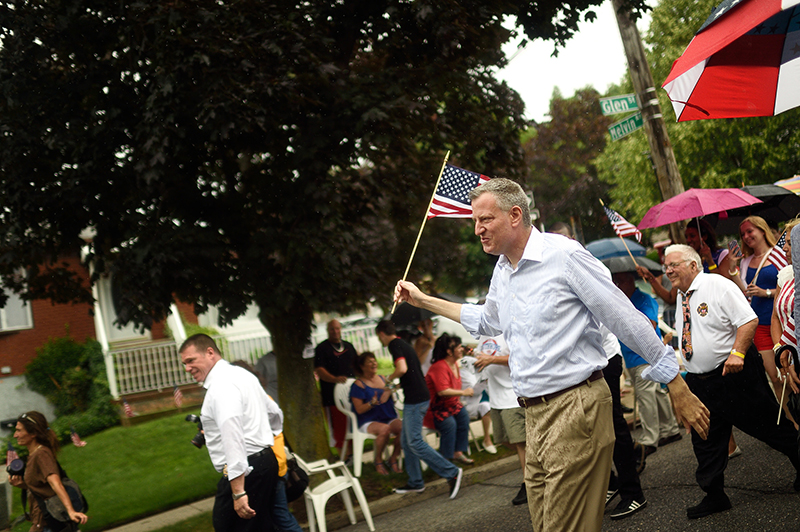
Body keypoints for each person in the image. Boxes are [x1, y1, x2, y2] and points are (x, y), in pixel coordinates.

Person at [394, 178, 710, 532]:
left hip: (576, 407)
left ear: (515, 215)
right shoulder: (503, 269)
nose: (478, 230)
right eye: (474, 222)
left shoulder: (564, 255)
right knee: (545, 525)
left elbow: (624, 318)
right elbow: (487, 321)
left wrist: (675, 383)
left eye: (485, 220)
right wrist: (423, 300)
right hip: (534, 415)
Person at [666, 244, 800, 518]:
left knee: (767, 425)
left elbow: (748, 320)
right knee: (706, 438)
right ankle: (714, 495)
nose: (668, 270)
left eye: (674, 264)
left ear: (693, 265)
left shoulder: (717, 285)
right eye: (666, 265)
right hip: (700, 381)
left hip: (733, 373)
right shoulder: (682, 296)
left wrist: (738, 353)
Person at [180, 334, 280, 532]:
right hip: (264, 462)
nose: (187, 368)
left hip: (248, 469)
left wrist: (238, 492)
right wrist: (265, 437)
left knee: (228, 526)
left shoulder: (221, 386)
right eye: (184, 363)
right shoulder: (242, 374)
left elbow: (232, 437)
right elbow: (274, 413)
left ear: (210, 353)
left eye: (191, 361)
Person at [375, 319, 464, 499]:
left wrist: (388, 381)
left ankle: (451, 471)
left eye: (379, 338)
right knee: (408, 442)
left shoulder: (394, 345)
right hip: (418, 396)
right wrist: (391, 389)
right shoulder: (404, 345)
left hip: (416, 400)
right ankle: (416, 482)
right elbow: (410, 375)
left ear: (382, 334)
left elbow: (401, 368)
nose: (381, 341)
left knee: (414, 441)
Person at [612, 271, 682, 470]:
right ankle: (670, 429)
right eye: (616, 281)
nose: (617, 284)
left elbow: (650, 325)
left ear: (628, 280)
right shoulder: (622, 300)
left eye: (620, 280)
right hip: (631, 357)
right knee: (656, 393)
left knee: (646, 397)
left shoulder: (643, 299)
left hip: (644, 355)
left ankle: (650, 438)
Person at [231, 360, 302, 532]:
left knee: (280, 517)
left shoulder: (253, 403)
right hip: (275, 466)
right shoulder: (260, 399)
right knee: (276, 516)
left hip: (273, 468)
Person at [9, 411, 89, 532]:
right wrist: (23, 485)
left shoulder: (41, 454)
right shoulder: (34, 454)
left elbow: (55, 483)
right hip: (42, 522)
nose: (15, 435)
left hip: (49, 522)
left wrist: (71, 511)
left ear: (33, 433)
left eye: (19, 430)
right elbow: (43, 487)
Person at [473, 334, 528, 506]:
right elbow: (481, 357)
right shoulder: (483, 335)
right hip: (495, 397)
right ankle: (539, 466)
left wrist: (491, 360)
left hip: (513, 395)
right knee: (504, 440)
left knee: (521, 442)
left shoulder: (507, 329)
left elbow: (520, 356)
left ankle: (529, 484)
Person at [739, 216, 785, 410]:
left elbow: (791, 286)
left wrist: (766, 293)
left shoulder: (780, 255)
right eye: (743, 234)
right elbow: (743, 291)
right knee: (775, 377)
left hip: (781, 323)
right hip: (759, 326)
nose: (746, 236)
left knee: (790, 372)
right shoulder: (745, 261)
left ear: (762, 230)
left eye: (750, 231)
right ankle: (793, 428)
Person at [423, 334, 475, 465]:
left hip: (450, 405)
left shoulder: (453, 364)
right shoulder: (440, 366)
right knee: (449, 424)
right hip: (435, 408)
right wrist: (464, 392)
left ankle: (458, 453)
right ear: (448, 351)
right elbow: (442, 391)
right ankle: (445, 460)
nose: (461, 349)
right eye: (458, 347)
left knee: (463, 417)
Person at [349, 352, 403, 475]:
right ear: (362, 366)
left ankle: (393, 458)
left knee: (404, 428)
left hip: (388, 417)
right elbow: (359, 410)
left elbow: (394, 390)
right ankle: (378, 461)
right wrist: (371, 404)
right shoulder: (358, 385)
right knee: (384, 429)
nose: (374, 363)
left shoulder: (383, 378)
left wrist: (390, 391)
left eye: (374, 361)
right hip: (368, 420)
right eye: (369, 361)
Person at [314, 319, 357, 460]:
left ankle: (353, 455)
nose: (335, 331)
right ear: (327, 330)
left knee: (352, 424)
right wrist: (334, 379)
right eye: (332, 329)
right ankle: (343, 457)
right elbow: (319, 370)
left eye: (337, 328)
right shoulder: (322, 348)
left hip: (352, 396)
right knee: (338, 429)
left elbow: (358, 365)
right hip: (331, 397)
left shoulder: (349, 347)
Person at [458, 349, 496, 453]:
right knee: (486, 407)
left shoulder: (481, 368)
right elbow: (472, 392)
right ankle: (487, 439)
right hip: (472, 403)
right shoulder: (463, 373)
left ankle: (505, 437)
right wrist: (484, 381)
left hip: (488, 397)